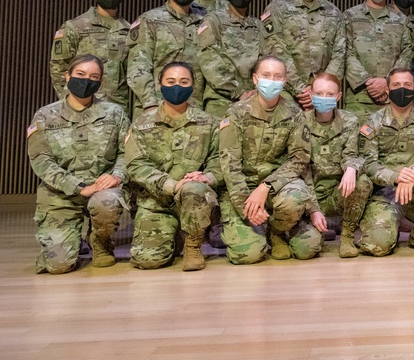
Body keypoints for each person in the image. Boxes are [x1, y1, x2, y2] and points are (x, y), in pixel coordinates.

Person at [27, 55, 129, 274]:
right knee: (59, 266)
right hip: (60, 194)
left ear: (100, 82)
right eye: (80, 75)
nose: (86, 81)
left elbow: (127, 153)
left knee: (107, 203)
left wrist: (118, 175)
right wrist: (79, 187)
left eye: (94, 77)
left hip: (102, 188)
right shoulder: (45, 116)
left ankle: (101, 242)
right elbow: (41, 161)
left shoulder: (115, 113)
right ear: (67, 76)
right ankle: (66, 243)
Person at [218, 56, 318, 264]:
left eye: (277, 76)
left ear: (284, 81)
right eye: (266, 75)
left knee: (309, 247)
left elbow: (299, 159)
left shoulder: (294, 114)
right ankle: (256, 228)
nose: (271, 81)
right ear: (255, 79)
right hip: (243, 190)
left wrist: (266, 186)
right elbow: (230, 165)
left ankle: (276, 231)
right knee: (249, 255)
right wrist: (245, 207)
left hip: (277, 186)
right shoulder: (236, 113)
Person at [124, 62, 219, 271]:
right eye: (171, 81)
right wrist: (172, 185)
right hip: (156, 201)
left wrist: (208, 177)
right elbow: (137, 166)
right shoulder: (141, 124)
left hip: (194, 200)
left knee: (194, 189)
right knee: (148, 261)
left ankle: (193, 244)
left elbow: (219, 160)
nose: (177, 86)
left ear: (193, 86)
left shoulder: (209, 122)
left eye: (184, 82)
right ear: (160, 85)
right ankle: (174, 235)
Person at [357, 68, 414, 255]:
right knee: (377, 247)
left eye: (407, 85)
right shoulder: (373, 122)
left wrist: (413, 173)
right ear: (387, 90)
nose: (402, 89)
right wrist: (395, 176)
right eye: (396, 85)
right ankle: (393, 224)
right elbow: (368, 163)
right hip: (385, 192)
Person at [300, 73, 372, 258]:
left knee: (362, 180)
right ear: (311, 95)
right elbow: (300, 168)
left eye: (329, 94)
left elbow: (353, 154)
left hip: (337, 193)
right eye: (319, 93)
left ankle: (347, 236)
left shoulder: (349, 121)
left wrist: (351, 168)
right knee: (305, 251)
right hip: (309, 195)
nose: (324, 98)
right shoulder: (299, 122)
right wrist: (313, 209)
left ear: (338, 97)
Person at [261, 0, 343, 109]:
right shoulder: (277, 8)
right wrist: (300, 89)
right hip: (286, 94)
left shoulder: (333, 12)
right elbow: (274, 49)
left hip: (323, 98)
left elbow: (339, 53)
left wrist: (321, 88)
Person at [127, 0, 205, 118]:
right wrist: (150, 103)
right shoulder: (150, 20)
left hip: (195, 107)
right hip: (157, 104)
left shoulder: (206, 20)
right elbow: (138, 66)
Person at [340, 0, 413, 122]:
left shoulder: (400, 19)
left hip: (392, 96)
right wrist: (368, 82)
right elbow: (345, 51)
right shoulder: (350, 16)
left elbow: (407, 52)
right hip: (359, 97)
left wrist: (387, 81)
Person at [50, 0, 131, 110]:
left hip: (117, 106)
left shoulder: (129, 30)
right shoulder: (75, 26)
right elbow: (59, 67)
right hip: (82, 102)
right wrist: (68, 99)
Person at [197, 0, 262, 118]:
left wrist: (258, 91)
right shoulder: (213, 21)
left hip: (254, 99)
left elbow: (265, 60)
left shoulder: (259, 25)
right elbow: (209, 61)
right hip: (221, 101)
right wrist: (238, 92)